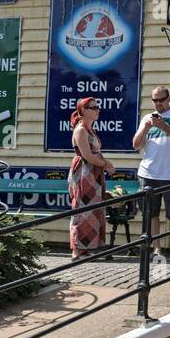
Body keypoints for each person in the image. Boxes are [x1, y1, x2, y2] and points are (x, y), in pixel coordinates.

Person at [132, 86, 170, 260]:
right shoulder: (147, 117)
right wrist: (145, 128)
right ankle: (156, 248)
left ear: (169, 98)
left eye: (161, 100)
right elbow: (136, 145)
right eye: (155, 100)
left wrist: (164, 126)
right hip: (148, 173)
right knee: (151, 213)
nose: (158, 103)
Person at [68, 96, 116, 259]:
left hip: (93, 173)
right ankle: (76, 249)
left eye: (97, 107)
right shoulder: (80, 130)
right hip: (83, 173)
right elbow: (87, 156)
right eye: (93, 108)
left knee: (92, 210)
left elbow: (96, 153)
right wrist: (105, 165)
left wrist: (105, 163)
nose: (97, 111)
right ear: (82, 111)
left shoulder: (90, 130)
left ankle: (85, 247)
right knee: (82, 208)